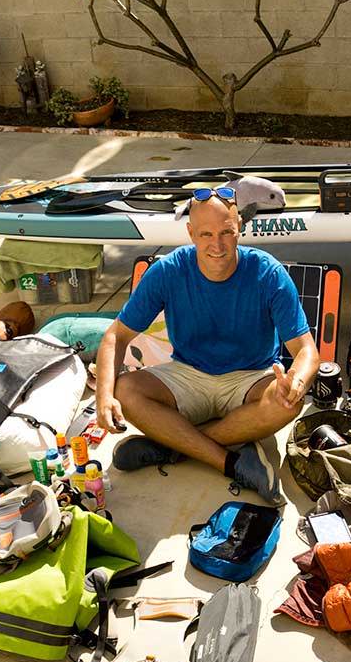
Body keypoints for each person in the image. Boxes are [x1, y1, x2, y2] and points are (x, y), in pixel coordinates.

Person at [94, 187, 321, 505]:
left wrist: (296, 380)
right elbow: (115, 337)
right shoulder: (168, 271)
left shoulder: (268, 272)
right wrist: (103, 397)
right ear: (190, 233)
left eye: (227, 232)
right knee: (125, 391)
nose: (217, 245)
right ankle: (229, 461)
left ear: (240, 225)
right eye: (206, 234)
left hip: (250, 377)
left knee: (287, 403)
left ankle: (171, 446)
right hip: (188, 375)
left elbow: (307, 350)